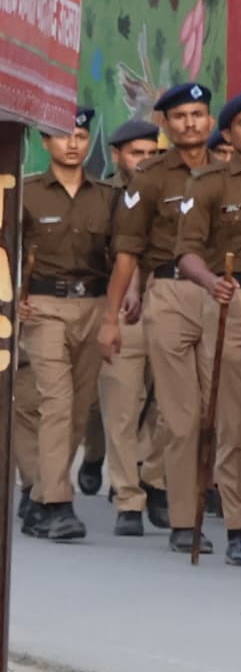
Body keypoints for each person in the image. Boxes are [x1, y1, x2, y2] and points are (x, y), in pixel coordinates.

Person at [152, 87, 241, 560]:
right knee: (232, 422)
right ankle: (237, 524)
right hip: (234, 301)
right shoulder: (208, 183)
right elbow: (186, 251)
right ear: (228, 133)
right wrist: (211, 282)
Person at [16, 112, 120, 541]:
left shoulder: (108, 196)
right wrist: (12, 300)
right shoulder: (27, 193)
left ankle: (40, 496)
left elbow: (122, 256)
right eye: (62, 137)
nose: (73, 145)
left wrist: (116, 312)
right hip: (42, 304)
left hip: (94, 303)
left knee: (78, 410)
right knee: (55, 402)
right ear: (45, 142)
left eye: (80, 136)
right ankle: (59, 503)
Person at [94, 110, 175, 533]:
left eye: (151, 152)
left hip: (164, 304)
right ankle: (128, 497)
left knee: (171, 406)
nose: (144, 160)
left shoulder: (170, 190)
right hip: (119, 308)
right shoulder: (103, 196)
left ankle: (153, 476)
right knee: (122, 407)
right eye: (135, 153)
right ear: (117, 155)